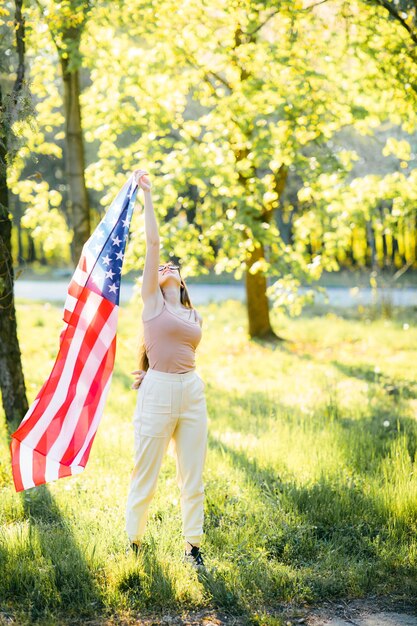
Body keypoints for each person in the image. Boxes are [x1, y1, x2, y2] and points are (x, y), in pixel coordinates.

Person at [125, 168, 208, 569]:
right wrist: (148, 195)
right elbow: (154, 242)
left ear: (181, 279)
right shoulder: (152, 304)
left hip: (192, 391)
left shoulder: (194, 315)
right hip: (158, 392)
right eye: (160, 268)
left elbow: (183, 354)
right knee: (147, 472)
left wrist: (168, 374)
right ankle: (135, 542)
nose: (165, 267)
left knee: (192, 475)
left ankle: (193, 547)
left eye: (172, 266)